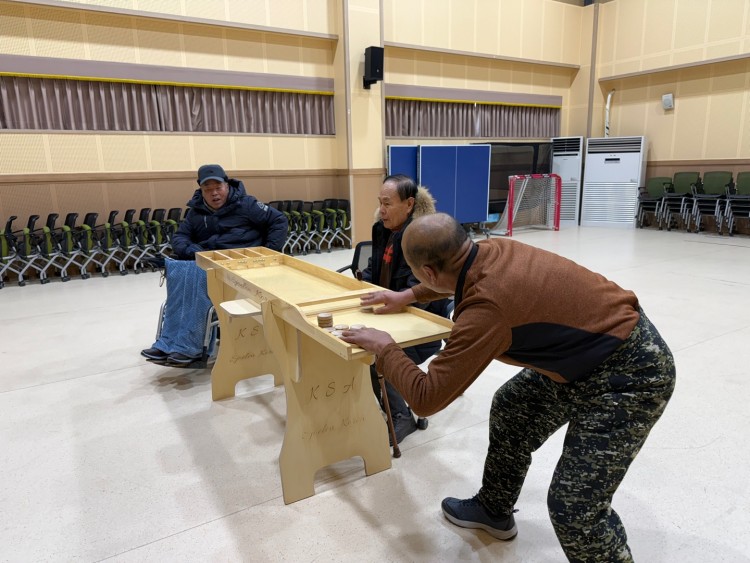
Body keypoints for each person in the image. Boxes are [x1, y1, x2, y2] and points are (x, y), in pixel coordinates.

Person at [341, 213, 676, 562]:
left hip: (632, 373)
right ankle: (493, 509)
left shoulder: (486, 309)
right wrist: (409, 294)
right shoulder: (490, 250)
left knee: (575, 508)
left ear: (428, 271)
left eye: (418, 275)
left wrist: (386, 348)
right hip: (589, 354)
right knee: (513, 406)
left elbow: (426, 398)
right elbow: (451, 276)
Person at [141, 164, 288, 366]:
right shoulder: (196, 212)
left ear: (227, 185)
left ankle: (190, 346)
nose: (214, 193)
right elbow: (180, 237)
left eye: (218, 187)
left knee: (202, 274)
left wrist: (268, 252)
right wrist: (193, 251)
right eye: (208, 189)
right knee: (179, 270)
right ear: (201, 190)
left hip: (239, 267)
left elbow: (279, 220)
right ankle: (168, 342)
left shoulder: (247, 205)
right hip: (208, 262)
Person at [362, 174, 451, 444]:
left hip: (421, 326)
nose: (382, 210)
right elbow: (375, 268)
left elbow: (419, 295)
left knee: (375, 354)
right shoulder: (381, 230)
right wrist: (361, 282)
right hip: (389, 314)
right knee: (354, 345)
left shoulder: (423, 238)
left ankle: (402, 417)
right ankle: (382, 406)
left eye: (388, 204)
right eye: (380, 203)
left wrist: (390, 301)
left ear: (409, 204)